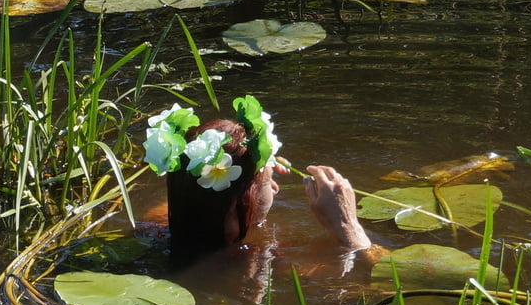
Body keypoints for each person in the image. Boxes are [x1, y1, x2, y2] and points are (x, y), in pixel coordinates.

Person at [142, 95, 372, 267]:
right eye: (266, 185)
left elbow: (195, 190)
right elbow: (387, 279)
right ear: (233, 210)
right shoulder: (255, 259)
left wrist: (258, 171)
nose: (275, 188)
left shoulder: (156, 227)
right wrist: (348, 227)